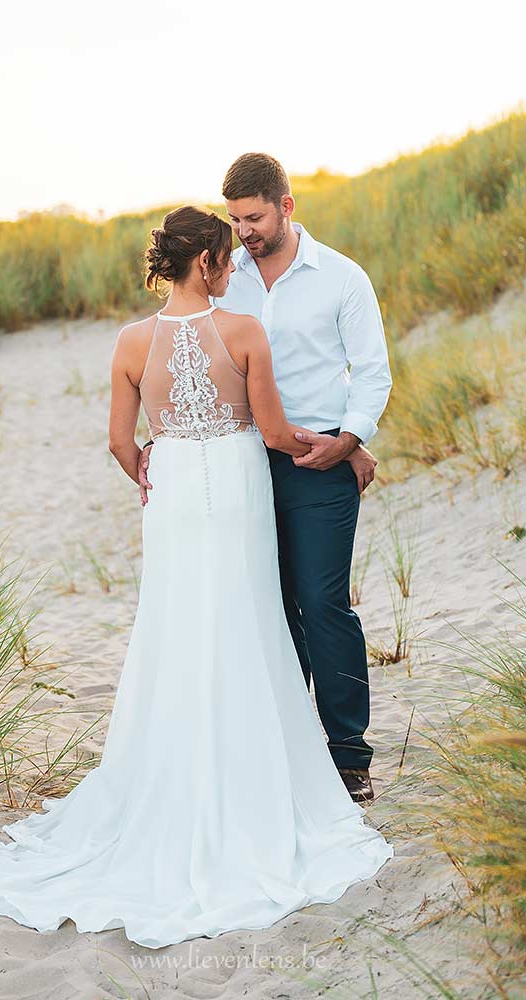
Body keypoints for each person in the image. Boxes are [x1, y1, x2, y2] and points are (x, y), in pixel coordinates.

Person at [0, 204, 393, 950]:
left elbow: (121, 444)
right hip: (236, 479)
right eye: (225, 260)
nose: (231, 271)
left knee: (176, 623)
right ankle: (275, 768)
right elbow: (277, 433)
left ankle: (172, 767)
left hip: (176, 491)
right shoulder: (243, 331)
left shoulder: (129, 342)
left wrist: (156, 474)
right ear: (206, 264)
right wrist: (345, 447)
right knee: (248, 617)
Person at [140, 154, 392, 803]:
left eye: (253, 216)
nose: (243, 230)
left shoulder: (341, 277)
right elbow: (183, 348)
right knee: (264, 607)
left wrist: (351, 439)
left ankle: (347, 756)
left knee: (322, 603)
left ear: (286, 205)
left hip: (319, 462)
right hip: (240, 465)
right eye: (234, 219)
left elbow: (370, 370)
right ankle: (285, 751)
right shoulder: (221, 273)